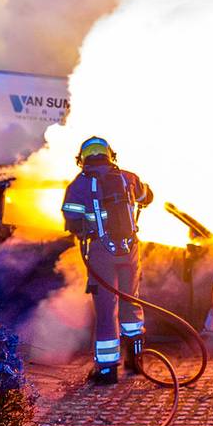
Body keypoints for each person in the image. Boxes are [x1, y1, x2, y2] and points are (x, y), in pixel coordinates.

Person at [61, 136, 154, 384]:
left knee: (105, 310)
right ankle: (136, 360)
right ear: (110, 155)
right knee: (131, 301)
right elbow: (148, 197)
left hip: (101, 252)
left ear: (82, 159)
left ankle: (106, 370)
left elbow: (71, 218)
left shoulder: (79, 185)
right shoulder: (128, 178)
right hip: (130, 250)